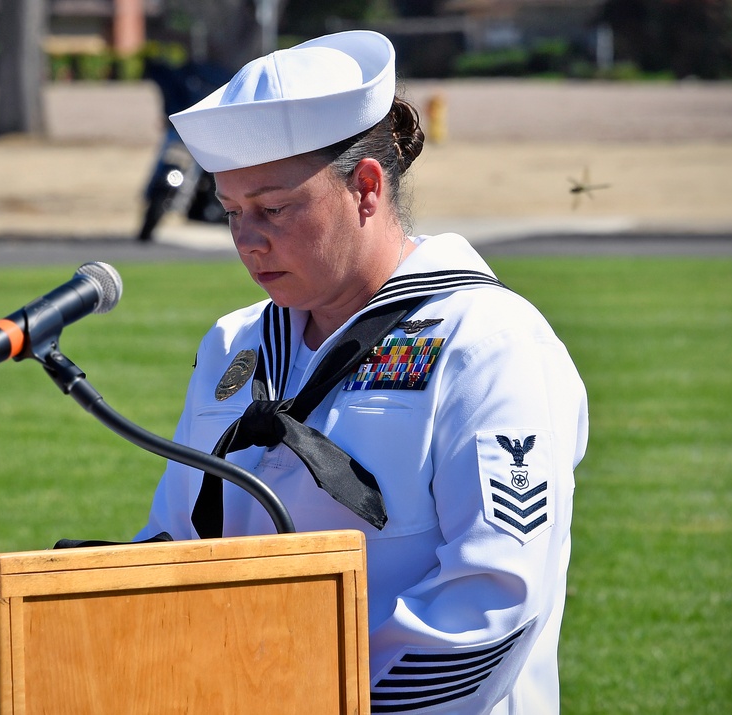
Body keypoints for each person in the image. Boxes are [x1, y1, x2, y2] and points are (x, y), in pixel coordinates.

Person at [133, 30, 588, 714]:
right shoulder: (234, 344)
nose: (247, 240)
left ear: (366, 188)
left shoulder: (490, 344)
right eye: (231, 213)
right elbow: (173, 548)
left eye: (274, 208)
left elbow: (495, 598)